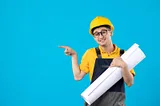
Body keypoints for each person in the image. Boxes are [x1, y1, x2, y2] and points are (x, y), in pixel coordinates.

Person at [59, 16, 135, 106]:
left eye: (103, 32)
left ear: (110, 32)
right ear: (94, 37)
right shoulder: (91, 53)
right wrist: (74, 56)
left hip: (116, 103)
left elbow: (129, 83)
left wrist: (124, 65)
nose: (100, 36)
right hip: (95, 103)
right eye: (96, 34)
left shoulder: (124, 54)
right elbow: (78, 77)